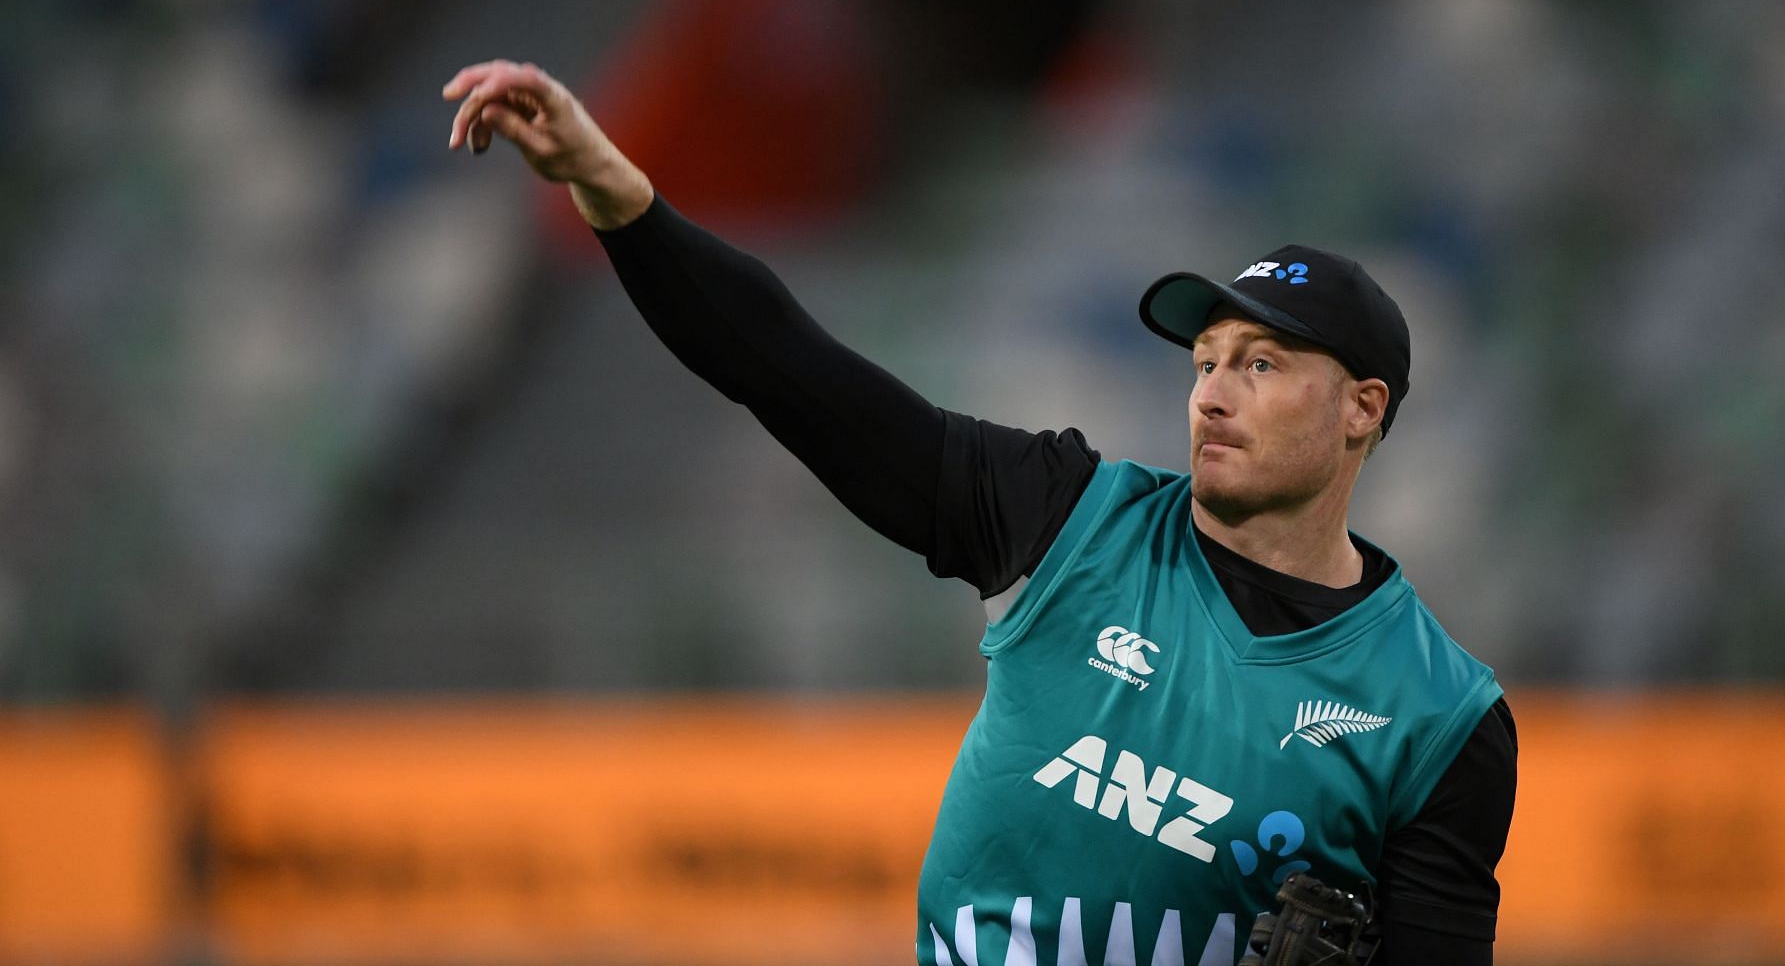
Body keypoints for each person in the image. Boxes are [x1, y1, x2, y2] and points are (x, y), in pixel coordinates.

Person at [442, 60, 1517, 966]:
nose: (1212, 390)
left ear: (1361, 410)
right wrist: (615, 191)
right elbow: (791, 373)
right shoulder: (1070, 517)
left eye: (1263, 361)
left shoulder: (1440, 718)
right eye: (1204, 360)